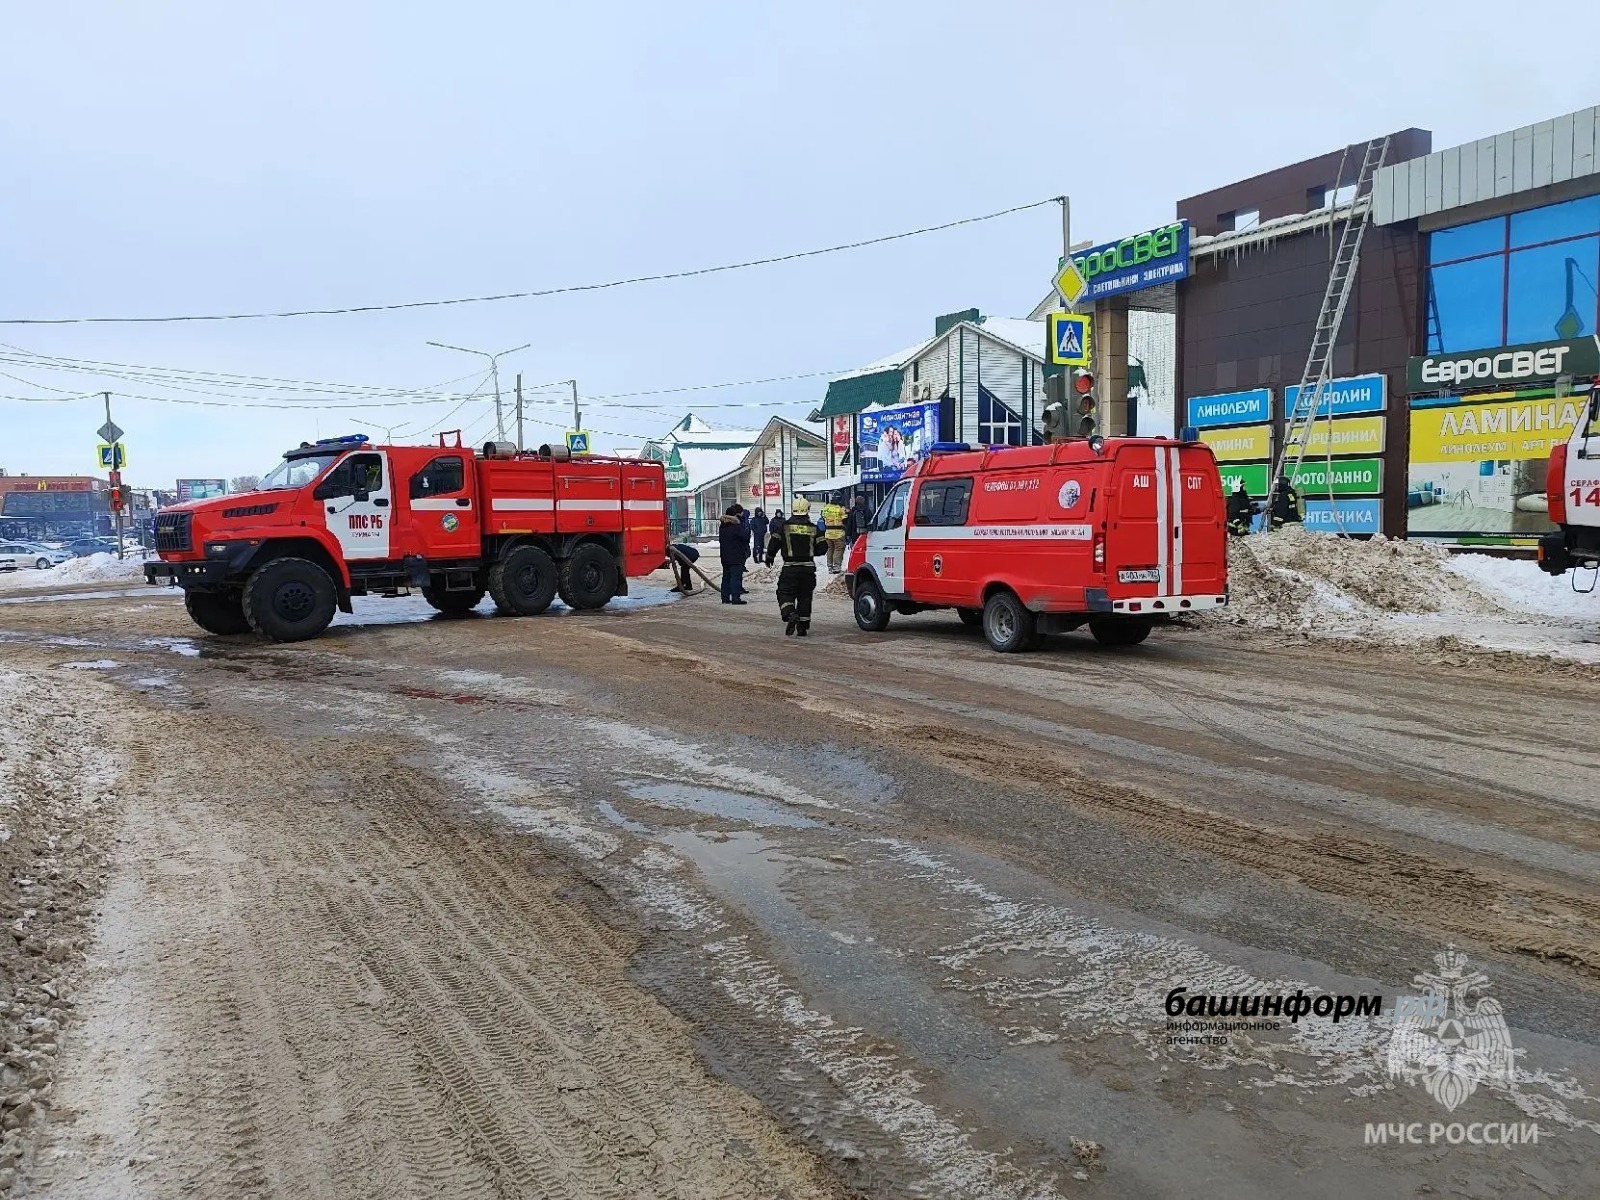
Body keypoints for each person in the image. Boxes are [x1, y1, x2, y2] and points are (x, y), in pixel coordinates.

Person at [765, 498, 819, 636]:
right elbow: (823, 547)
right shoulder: (813, 528)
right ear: (807, 510)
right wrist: (810, 550)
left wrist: (769, 556)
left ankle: (790, 614)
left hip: (790, 568)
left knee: (784, 593)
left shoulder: (784, 527)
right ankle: (802, 627)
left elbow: (774, 542)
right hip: (808, 569)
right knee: (805, 597)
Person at [718, 504, 748, 603]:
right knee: (736, 578)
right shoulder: (736, 526)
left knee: (726, 577)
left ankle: (725, 598)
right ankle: (736, 598)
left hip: (725, 556)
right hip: (736, 556)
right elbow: (745, 537)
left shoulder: (722, 527)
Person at [821, 495, 848, 573]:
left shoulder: (826, 507)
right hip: (838, 533)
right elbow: (845, 520)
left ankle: (830, 567)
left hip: (828, 533)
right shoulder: (841, 508)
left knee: (830, 549)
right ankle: (836, 567)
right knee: (838, 549)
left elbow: (823, 517)